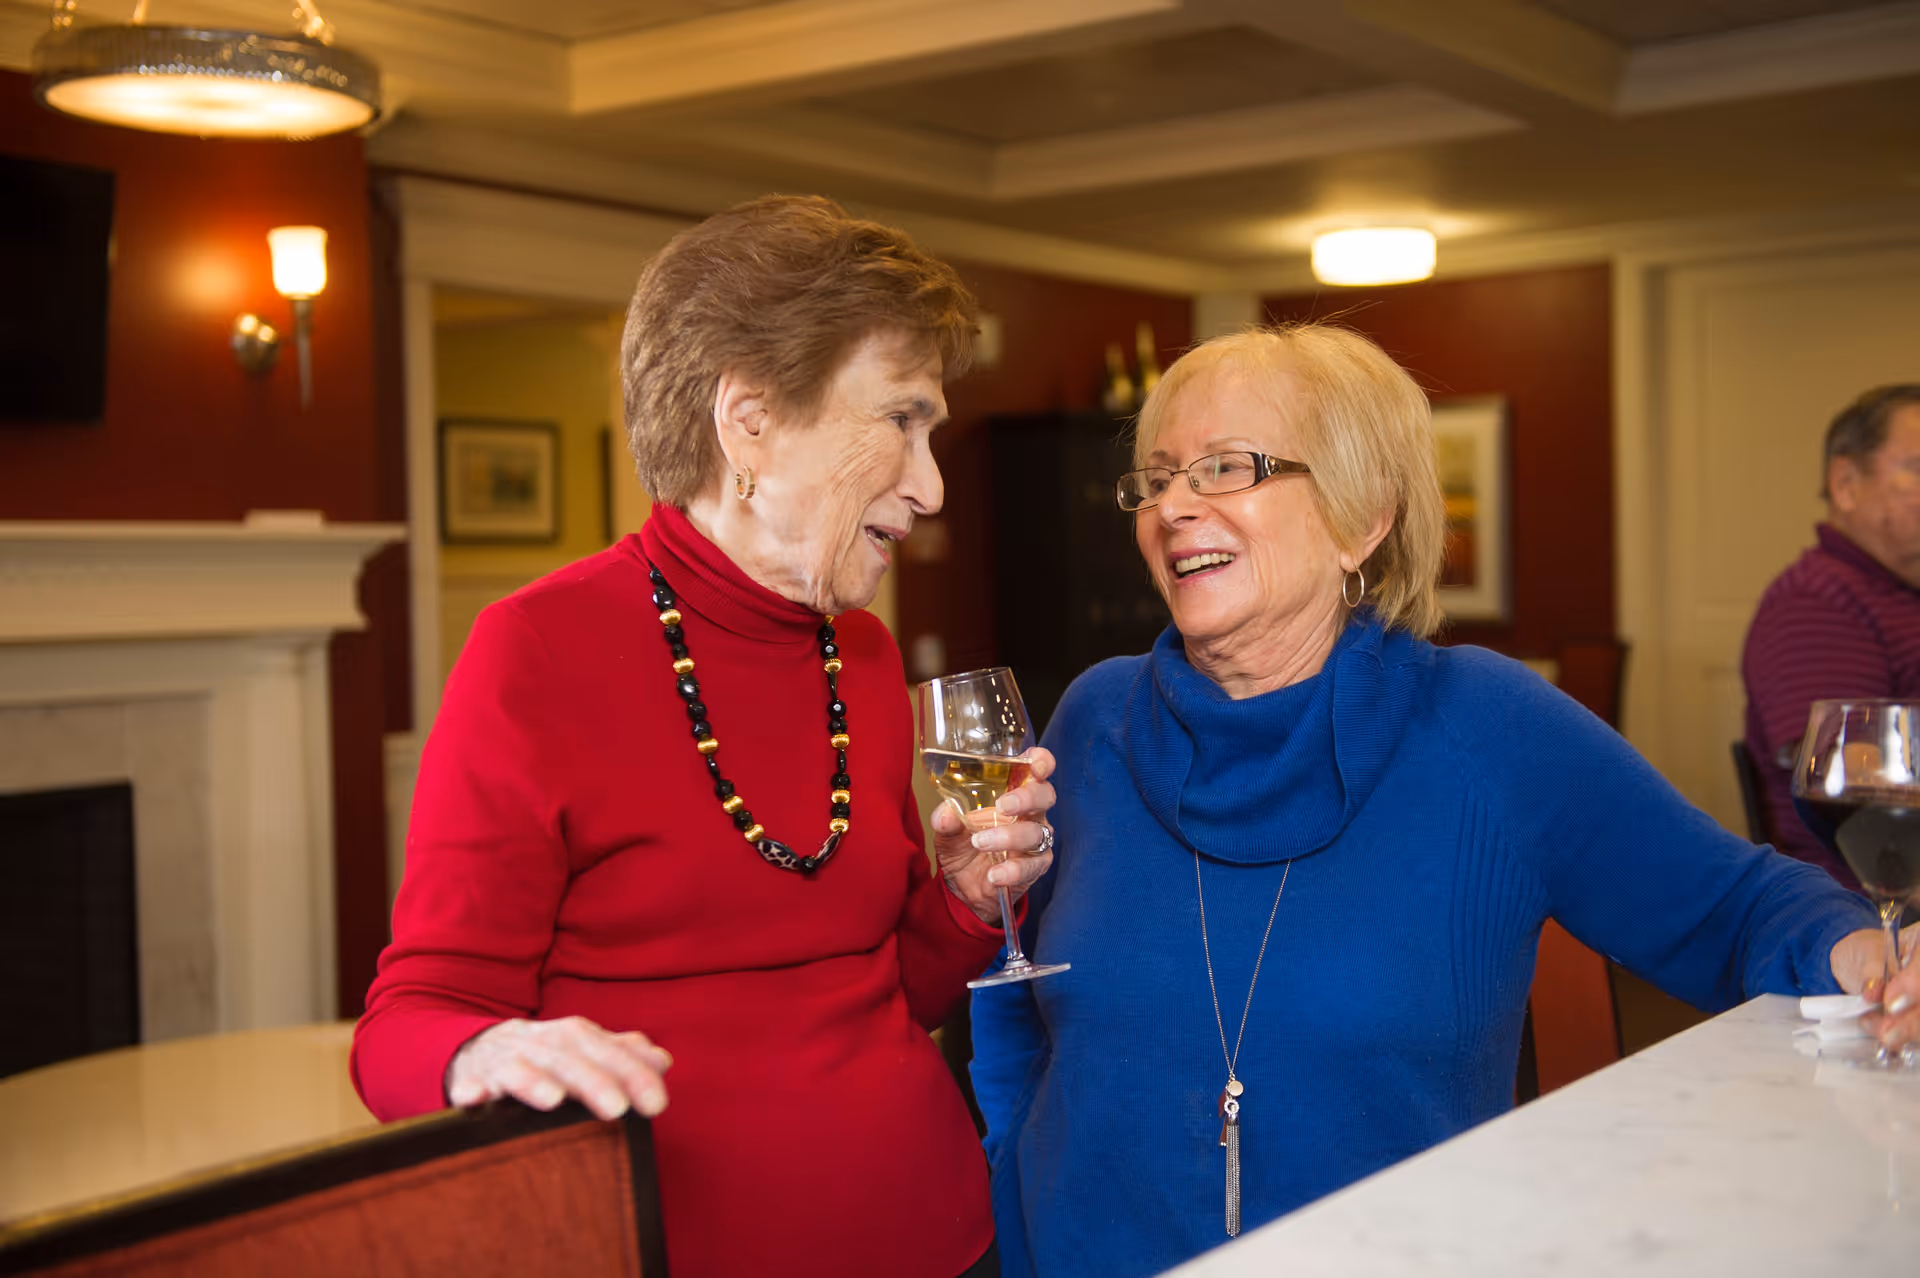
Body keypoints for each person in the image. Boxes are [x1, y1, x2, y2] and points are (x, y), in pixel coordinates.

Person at [968, 324, 1920, 1278]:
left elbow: (1733, 908)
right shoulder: (1095, 715)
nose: (1174, 506)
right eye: (1158, 478)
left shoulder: (1488, 728)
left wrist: (1878, 953)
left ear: (1362, 518)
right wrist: (1012, 1168)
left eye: (1225, 468)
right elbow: (1018, 979)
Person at [352, 196, 1059, 1278]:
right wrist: (488, 1048)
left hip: (944, 1236)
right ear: (751, 422)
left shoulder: (861, 660)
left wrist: (961, 903)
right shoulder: (535, 650)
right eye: (901, 421)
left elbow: (884, 990)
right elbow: (404, 1027)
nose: (931, 484)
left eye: (935, 434)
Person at [1741, 385, 1920, 888]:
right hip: (1869, 902)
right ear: (1846, 483)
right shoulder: (1817, 602)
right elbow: (1852, 783)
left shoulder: (1898, 595)